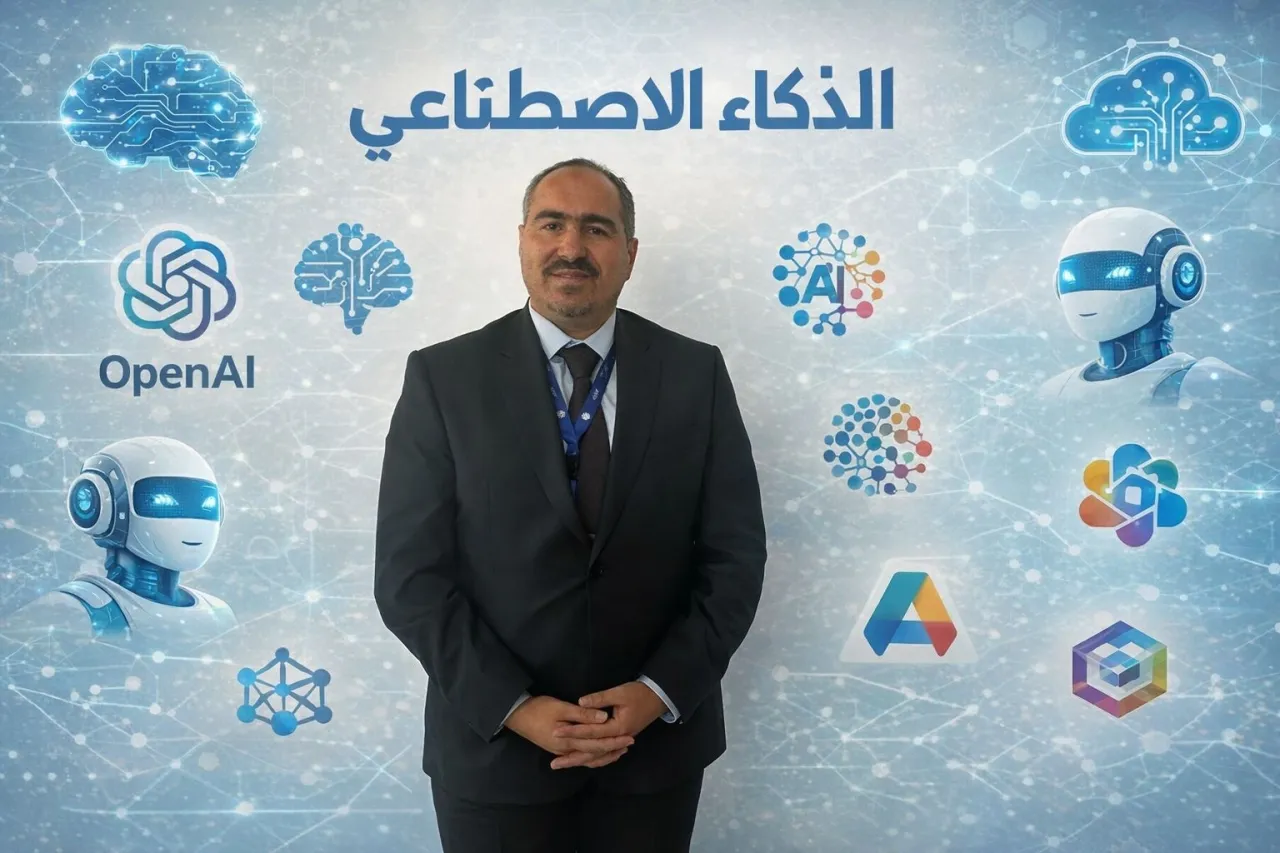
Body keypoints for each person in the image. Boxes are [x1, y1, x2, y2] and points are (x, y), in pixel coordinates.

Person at [374, 158, 768, 853]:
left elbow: (734, 558)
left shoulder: (695, 373)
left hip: (651, 756)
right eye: (551, 224)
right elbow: (410, 578)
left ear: (630, 254)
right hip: (495, 754)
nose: (571, 247)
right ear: (522, 239)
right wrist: (516, 707)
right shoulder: (443, 378)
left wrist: (657, 692)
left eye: (596, 229)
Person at [1, 435, 236, 649]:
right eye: (162, 499)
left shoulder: (219, 613)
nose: (191, 519)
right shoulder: (77, 611)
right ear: (102, 504)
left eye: (207, 504)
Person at [1038, 206, 1252, 405]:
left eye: (1118, 272)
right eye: (1071, 277)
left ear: (1176, 274)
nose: (1087, 292)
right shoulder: (1054, 391)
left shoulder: (1207, 384)